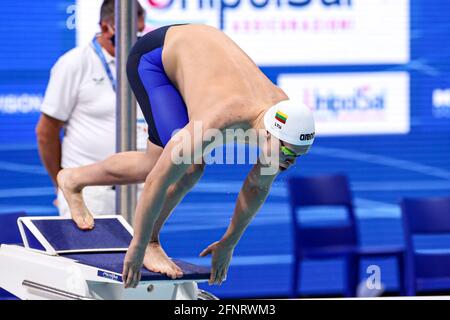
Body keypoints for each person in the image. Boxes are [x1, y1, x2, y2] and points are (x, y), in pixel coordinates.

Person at [57, 24, 315, 288]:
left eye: (297, 156)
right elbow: (158, 180)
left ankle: (73, 179)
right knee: (188, 168)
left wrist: (229, 242)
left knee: (152, 162)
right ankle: (153, 243)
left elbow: (257, 185)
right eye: (286, 152)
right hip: (154, 58)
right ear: (271, 134)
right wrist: (140, 244)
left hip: (196, 54)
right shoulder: (223, 117)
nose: (289, 161)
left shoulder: (282, 118)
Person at [35, 0, 146, 218]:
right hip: (90, 194)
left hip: (140, 191)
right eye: (133, 33)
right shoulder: (74, 64)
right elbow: (45, 133)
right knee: (87, 252)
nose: (139, 40)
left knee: (139, 253)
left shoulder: (146, 66)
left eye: (141, 33)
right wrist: (61, 181)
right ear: (106, 28)